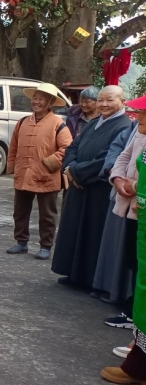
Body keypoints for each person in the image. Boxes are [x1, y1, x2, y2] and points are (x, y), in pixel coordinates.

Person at [52, 85, 132, 289]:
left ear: (122, 101)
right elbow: (73, 147)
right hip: (78, 183)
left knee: (92, 232)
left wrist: (77, 172)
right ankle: (73, 273)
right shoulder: (94, 122)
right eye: (101, 100)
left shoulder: (123, 126)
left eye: (110, 100)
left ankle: (89, 279)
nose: (104, 104)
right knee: (74, 228)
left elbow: (107, 158)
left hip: (98, 187)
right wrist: (69, 168)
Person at [99, 94, 146, 385]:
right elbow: (126, 161)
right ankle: (139, 365)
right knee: (143, 299)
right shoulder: (141, 135)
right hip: (143, 225)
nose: (137, 117)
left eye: (142, 113)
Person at [5, 82, 72, 260]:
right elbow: (13, 147)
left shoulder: (58, 124)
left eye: (41, 99)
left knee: (47, 214)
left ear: (50, 102)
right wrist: (13, 166)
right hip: (24, 173)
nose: (36, 101)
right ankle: (21, 242)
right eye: (35, 98)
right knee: (20, 210)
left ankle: (46, 245)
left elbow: (68, 149)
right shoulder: (23, 122)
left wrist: (49, 163)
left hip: (47, 175)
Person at [95, 99, 146, 324]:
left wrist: (134, 185)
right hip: (131, 203)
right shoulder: (139, 130)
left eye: (143, 112)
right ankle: (133, 311)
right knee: (133, 259)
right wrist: (116, 178)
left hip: (140, 202)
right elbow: (124, 156)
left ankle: (138, 319)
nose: (138, 116)